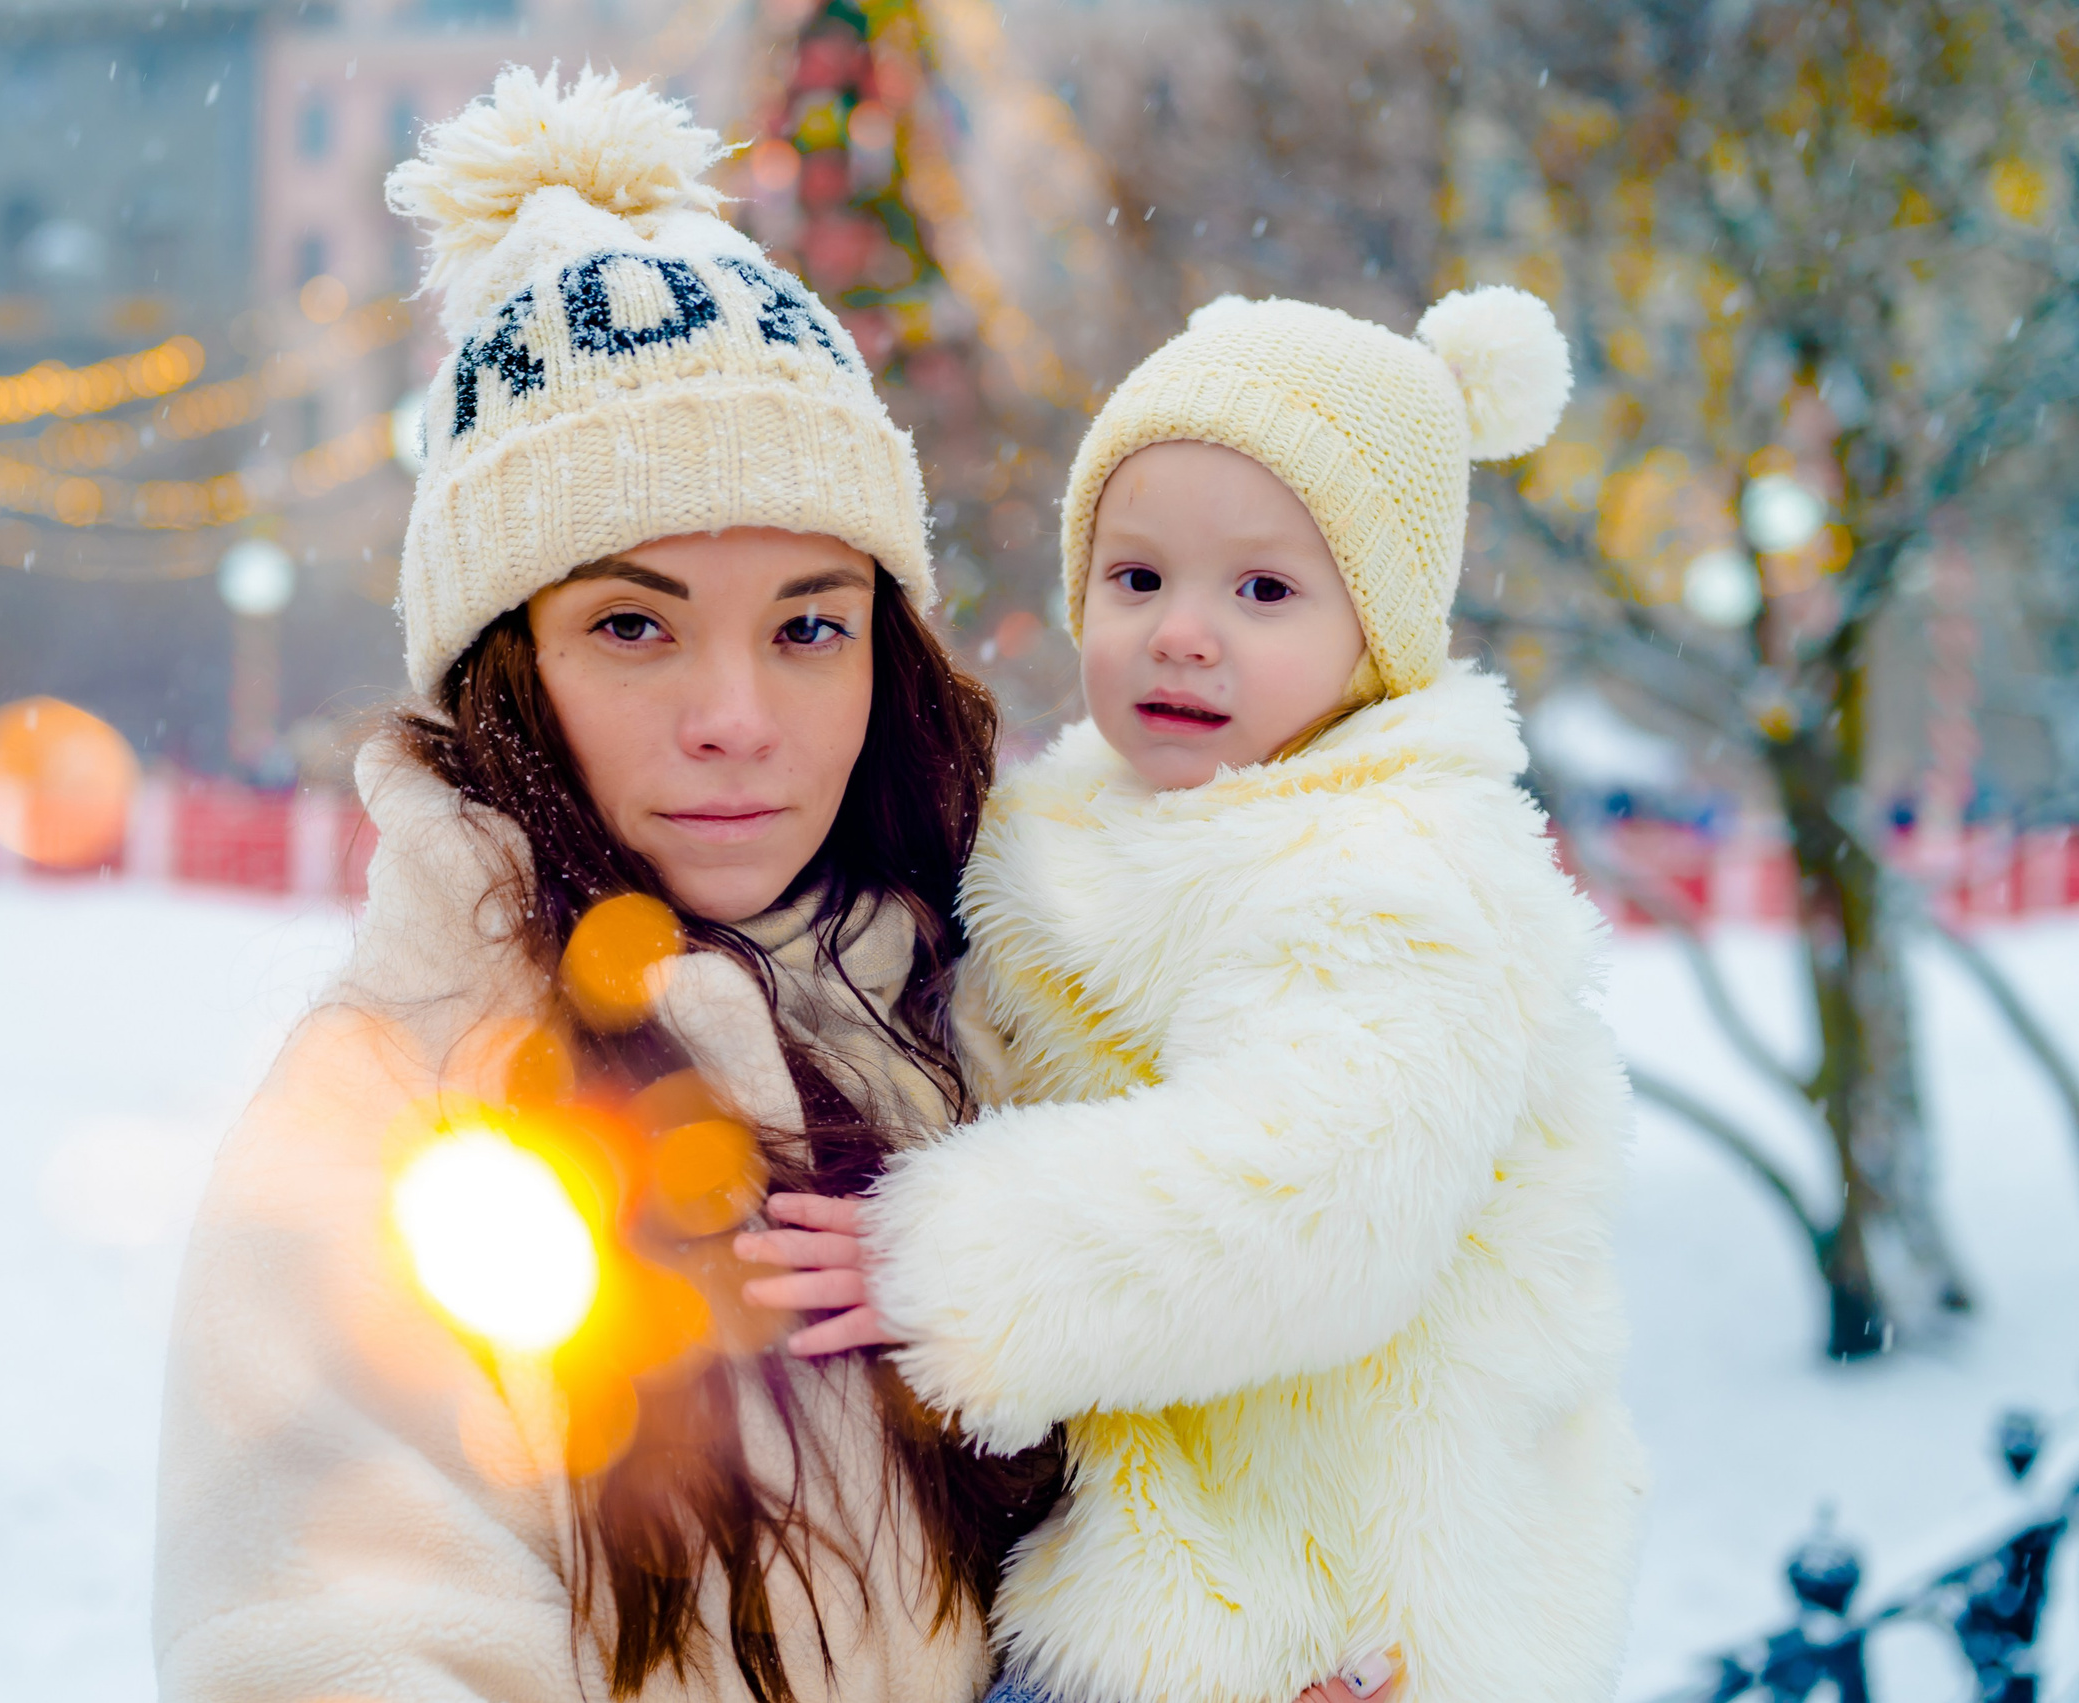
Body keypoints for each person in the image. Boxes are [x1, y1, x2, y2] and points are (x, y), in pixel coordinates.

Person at [151, 67, 1058, 1703]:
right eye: (633, 625)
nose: (736, 721)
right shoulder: (388, 1110)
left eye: (809, 624)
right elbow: (337, 1650)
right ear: (508, 669)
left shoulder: (990, 1029)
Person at [739, 290, 1650, 1703]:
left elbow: (1314, 1195)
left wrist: (943, 1257)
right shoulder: (1082, 828)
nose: (1182, 634)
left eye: (1266, 591)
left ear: (1383, 626)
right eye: (1138, 577)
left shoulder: (1392, 869)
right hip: (1177, 1566)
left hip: (1336, 1617)